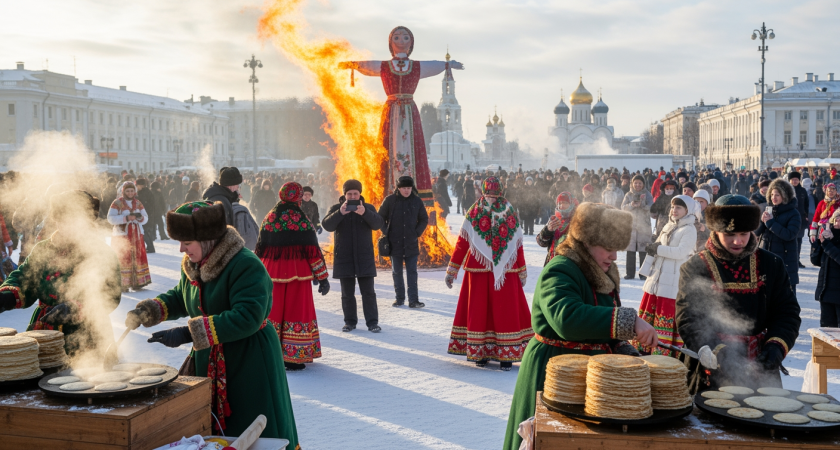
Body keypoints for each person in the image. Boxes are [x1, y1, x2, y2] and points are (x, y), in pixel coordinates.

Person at [124, 201, 300, 447]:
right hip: (211, 357)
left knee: (250, 426)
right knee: (214, 428)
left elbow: (248, 315)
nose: (181, 249)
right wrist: (149, 311)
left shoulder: (245, 264)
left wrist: (188, 333)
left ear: (206, 238)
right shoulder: (196, 263)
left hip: (249, 359)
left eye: (186, 242)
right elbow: (183, 295)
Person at [504, 202, 657, 450]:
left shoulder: (601, 269)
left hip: (591, 378)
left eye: (617, 249)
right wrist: (629, 321)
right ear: (586, 241)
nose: (614, 256)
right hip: (553, 374)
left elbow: (603, 322)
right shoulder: (561, 269)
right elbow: (566, 318)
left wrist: (622, 348)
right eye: (608, 248)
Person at [675, 194, 801, 389]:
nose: (738, 241)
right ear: (716, 231)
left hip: (761, 365)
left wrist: (776, 345)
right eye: (730, 235)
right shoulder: (695, 267)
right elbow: (688, 319)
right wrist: (717, 350)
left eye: (744, 233)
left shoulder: (771, 264)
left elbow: (787, 312)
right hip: (711, 365)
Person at [339, 26, 464, 205]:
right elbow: (368, 65)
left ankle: (412, 190)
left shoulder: (416, 66)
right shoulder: (384, 66)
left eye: (405, 38)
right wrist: (353, 65)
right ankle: (388, 191)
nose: (401, 41)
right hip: (391, 111)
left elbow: (433, 65)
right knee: (387, 148)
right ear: (390, 42)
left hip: (409, 112)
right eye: (397, 37)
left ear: (411, 42)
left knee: (411, 146)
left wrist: (448, 65)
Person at [0, 190, 121, 356]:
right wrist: (7, 296)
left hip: (88, 333)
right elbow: (24, 277)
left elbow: (111, 295)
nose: (67, 226)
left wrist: (76, 308)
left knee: (88, 379)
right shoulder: (43, 249)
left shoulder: (101, 253)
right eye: (62, 220)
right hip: (45, 330)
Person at [445, 176, 532, 370]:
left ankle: (506, 354)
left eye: (495, 193)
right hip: (478, 269)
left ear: (500, 192)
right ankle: (480, 352)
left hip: (506, 272)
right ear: (483, 192)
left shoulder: (509, 211)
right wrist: (453, 269)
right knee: (479, 311)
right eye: (488, 193)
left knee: (505, 310)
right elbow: (462, 242)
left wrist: (522, 270)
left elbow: (517, 244)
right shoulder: (474, 212)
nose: (491, 197)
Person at [256, 182, 330, 372]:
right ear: (297, 198)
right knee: (297, 311)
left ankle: (269, 353)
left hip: (271, 272)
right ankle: (294, 356)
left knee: (272, 312)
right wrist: (322, 276)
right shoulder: (301, 219)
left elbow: (259, 249)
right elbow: (312, 251)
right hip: (298, 272)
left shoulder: (270, 217)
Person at [635, 195, 697, 356]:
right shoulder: (668, 226)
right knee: (650, 314)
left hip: (673, 281)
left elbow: (681, 252)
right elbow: (661, 246)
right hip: (657, 278)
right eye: (672, 207)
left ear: (687, 210)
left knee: (665, 317)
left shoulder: (690, 229)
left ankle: (663, 351)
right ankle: (644, 346)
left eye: (678, 208)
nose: (674, 210)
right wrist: (654, 248)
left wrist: (658, 249)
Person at [322, 180, 384, 332]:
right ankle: (350, 322)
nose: (352, 196)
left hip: (364, 257)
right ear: (344, 194)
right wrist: (340, 213)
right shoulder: (337, 208)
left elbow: (378, 224)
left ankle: (372, 322)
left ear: (360, 194)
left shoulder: (367, 208)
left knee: (368, 293)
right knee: (347, 294)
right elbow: (327, 225)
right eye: (349, 193)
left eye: (355, 193)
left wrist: (365, 213)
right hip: (344, 257)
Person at [378, 176, 429, 307]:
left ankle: (413, 300)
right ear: (398, 188)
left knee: (412, 272)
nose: (406, 191)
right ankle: (399, 298)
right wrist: (387, 232)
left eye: (409, 188)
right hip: (394, 243)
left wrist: (417, 232)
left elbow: (424, 219)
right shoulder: (390, 201)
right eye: (404, 188)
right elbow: (379, 218)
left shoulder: (417, 201)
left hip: (411, 242)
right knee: (397, 272)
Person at [756, 179, 801, 293]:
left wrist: (770, 223)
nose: (773, 197)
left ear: (785, 196)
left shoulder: (793, 213)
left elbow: (789, 235)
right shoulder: (769, 210)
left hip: (784, 261)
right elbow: (757, 233)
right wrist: (762, 222)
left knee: (785, 300)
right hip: (766, 259)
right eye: (771, 194)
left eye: (777, 194)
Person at [107, 182, 151, 291]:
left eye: (132, 191)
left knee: (137, 256)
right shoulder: (117, 203)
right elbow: (110, 218)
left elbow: (146, 218)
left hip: (136, 234)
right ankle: (123, 283)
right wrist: (126, 218)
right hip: (122, 235)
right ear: (123, 191)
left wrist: (140, 218)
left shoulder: (138, 203)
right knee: (123, 257)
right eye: (127, 191)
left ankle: (138, 282)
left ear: (134, 191)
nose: (130, 193)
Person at [811, 209, 840, 327]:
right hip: (826, 291)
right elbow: (815, 261)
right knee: (827, 330)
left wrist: (828, 244)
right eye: (836, 217)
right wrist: (818, 242)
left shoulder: (831, 241)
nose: (837, 220)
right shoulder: (828, 235)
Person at [622, 175, 653, 279]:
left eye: (640, 183)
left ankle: (643, 274)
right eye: (635, 183)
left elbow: (651, 208)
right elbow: (622, 208)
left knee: (643, 251)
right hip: (631, 225)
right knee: (630, 251)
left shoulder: (647, 194)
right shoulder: (628, 195)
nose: (637, 185)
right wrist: (631, 205)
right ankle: (630, 274)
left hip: (644, 226)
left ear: (643, 184)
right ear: (632, 184)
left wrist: (642, 205)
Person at [536, 192, 577, 266]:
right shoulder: (554, 219)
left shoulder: (577, 221)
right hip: (552, 264)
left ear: (572, 204)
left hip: (569, 266)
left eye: (565, 203)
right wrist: (548, 231)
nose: (561, 206)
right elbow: (541, 242)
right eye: (559, 203)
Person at [135, 178, 157, 254]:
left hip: (147, 215)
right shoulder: (145, 191)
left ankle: (151, 248)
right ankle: (150, 247)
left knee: (146, 232)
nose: (137, 187)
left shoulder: (144, 192)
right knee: (146, 231)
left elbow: (144, 204)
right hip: (148, 214)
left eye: (138, 185)